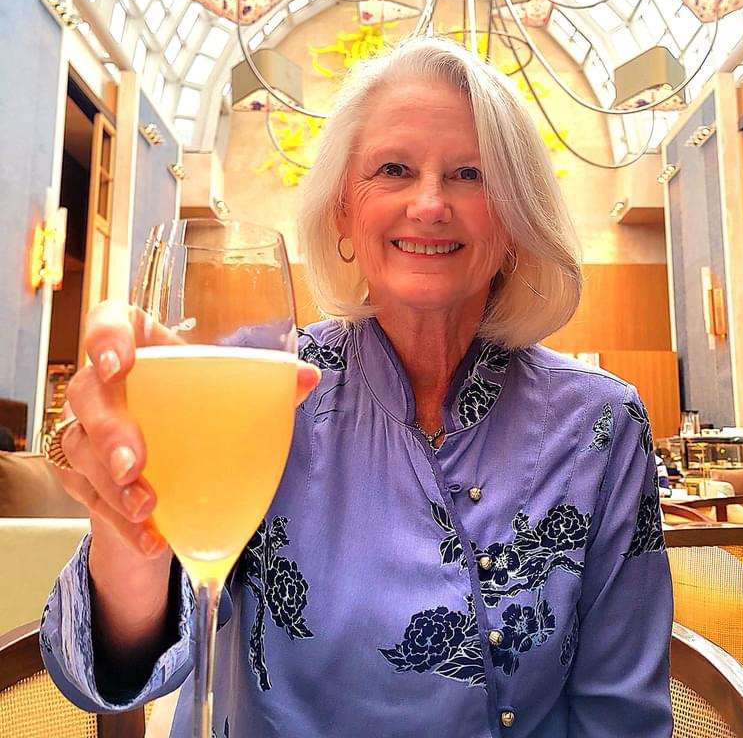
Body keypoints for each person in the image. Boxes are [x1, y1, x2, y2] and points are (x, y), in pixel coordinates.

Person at [40, 36, 672, 737]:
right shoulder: (266, 382)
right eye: (394, 170)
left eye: (471, 174)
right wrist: (130, 526)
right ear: (343, 210)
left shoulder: (600, 421)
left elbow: (622, 716)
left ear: (516, 220)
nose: (430, 204)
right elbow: (115, 671)